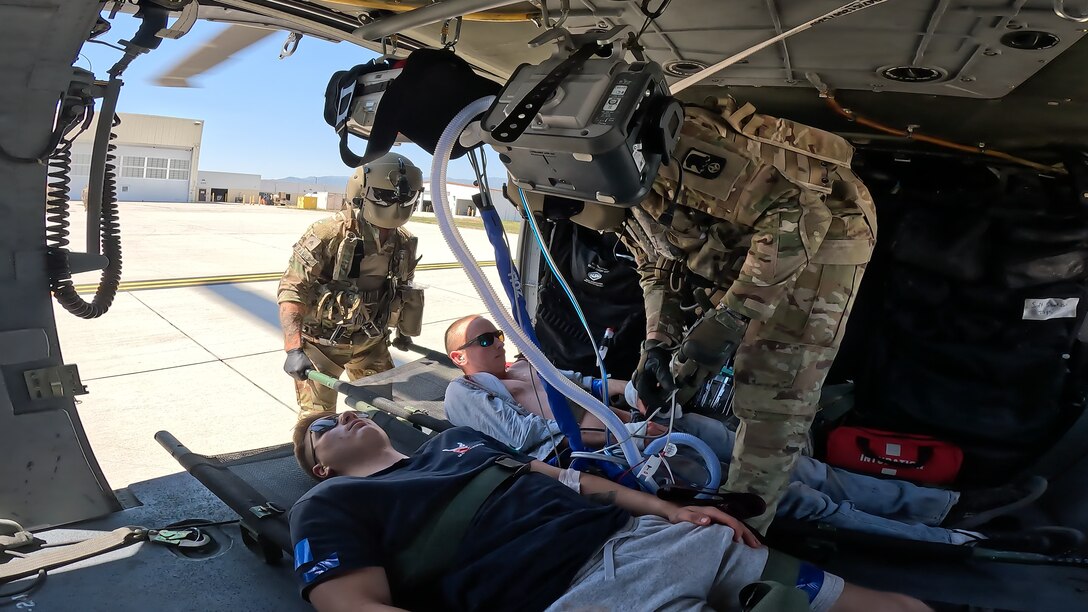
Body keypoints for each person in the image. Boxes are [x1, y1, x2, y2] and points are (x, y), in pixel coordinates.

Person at [441, 315, 1066, 548]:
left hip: (647, 433)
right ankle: (960, 539)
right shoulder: (465, 393)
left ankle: (950, 504)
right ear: (460, 357)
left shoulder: (530, 366)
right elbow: (533, 443)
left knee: (792, 462)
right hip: (621, 459)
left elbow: (589, 383)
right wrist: (627, 433)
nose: (497, 343)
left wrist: (637, 392)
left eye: (496, 334)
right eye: (483, 340)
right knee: (793, 497)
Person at [289, 409, 935, 612]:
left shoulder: (456, 444)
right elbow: (354, 608)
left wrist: (672, 510)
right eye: (323, 424)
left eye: (343, 407)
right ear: (318, 464)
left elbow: (572, 481)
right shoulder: (330, 502)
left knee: (899, 608)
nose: (341, 412)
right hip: (587, 590)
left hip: (659, 537)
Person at [620, 96, 878, 533]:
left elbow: (800, 216)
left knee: (772, 389)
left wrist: (731, 318)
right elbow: (655, 263)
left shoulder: (664, 149)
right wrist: (657, 343)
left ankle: (741, 530)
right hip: (750, 239)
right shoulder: (610, 182)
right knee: (683, 370)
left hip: (826, 229)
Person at [277, 152, 425, 416]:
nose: (396, 204)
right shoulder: (328, 234)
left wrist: (403, 331)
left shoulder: (403, 241)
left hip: (370, 341)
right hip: (321, 345)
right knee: (317, 422)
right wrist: (294, 348)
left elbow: (402, 288)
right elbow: (292, 289)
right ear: (361, 191)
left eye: (406, 197)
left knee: (382, 415)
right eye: (384, 195)